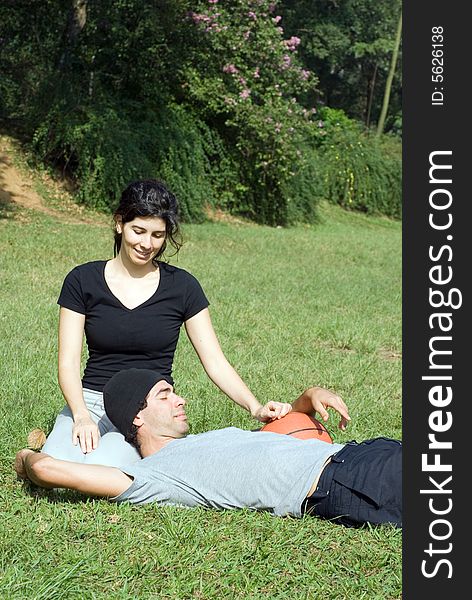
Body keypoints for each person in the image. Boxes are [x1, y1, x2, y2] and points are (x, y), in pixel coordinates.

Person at [42, 179, 291, 468]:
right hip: (93, 401)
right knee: (53, 463)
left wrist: (255, 406)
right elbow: (68, 363)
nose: (147, 244)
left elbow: (215, 361)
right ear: (119, 223)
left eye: (158, 235)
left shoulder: (182, 287)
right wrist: (81, 415)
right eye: (139, 231)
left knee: (110, 465)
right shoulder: (82, 280)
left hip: (153, 408)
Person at [16, 369, 401, 528]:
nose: (180, 399)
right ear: (137, 416)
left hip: (362, 453)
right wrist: (25, 459)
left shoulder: (209, 438)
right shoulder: (154, 476)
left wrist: (310, 395)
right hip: (344, 481)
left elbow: (287, 428)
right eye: (164, 395)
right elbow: (50, 471)